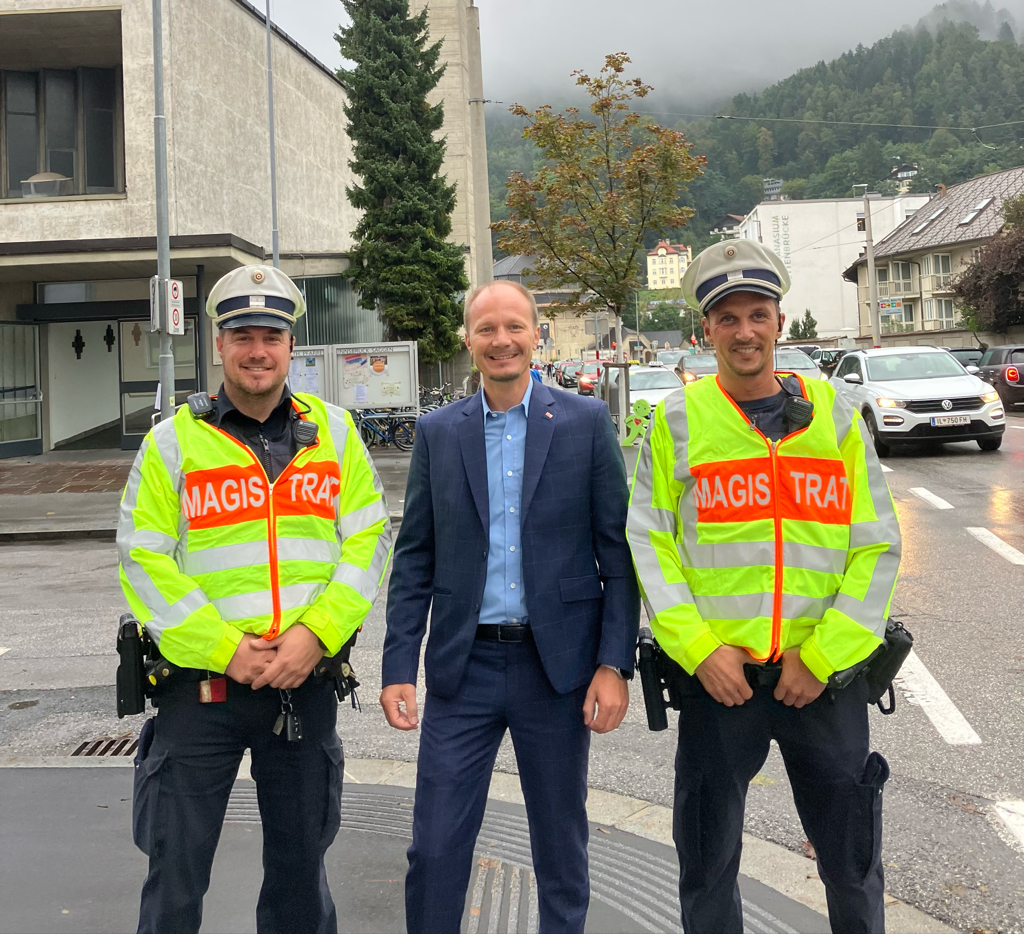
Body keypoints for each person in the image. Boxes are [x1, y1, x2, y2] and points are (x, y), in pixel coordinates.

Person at [627, 239, 900, 934]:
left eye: (758, 314)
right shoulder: (678, 420)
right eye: (727, 317)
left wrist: (825, 655)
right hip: (723, 682)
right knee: (708, 861)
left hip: (823, 683)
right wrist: (699, 650)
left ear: (781, 322)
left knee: (853, 864)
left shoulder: (837, 416)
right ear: (706, 330)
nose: (744, 330)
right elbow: (650, 542)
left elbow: (875, 546)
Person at [117, 264, 392, 934]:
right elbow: (143, 559)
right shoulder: (172, 444)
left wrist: (316, 635)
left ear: (291, 344)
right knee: (175, 878)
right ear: (219, 343)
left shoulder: (335, 432)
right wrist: (226, 649)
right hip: (200, 690)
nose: (257, 349)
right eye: (242, 334)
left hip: (305, 685)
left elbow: (367, 543)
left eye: (271, 334)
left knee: (301, 876)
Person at [382, 279, 640, 934]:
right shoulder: (440, 433)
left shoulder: (583, 424)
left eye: (514, 327)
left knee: (560, 846)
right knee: (435, 846)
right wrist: (397, 665)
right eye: (487, 329)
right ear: (469, 340)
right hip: (462, 672)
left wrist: (615, 663)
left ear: (536, 335)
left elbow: (618, 553)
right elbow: (414, 556)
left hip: (556, 672)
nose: (501, 341)